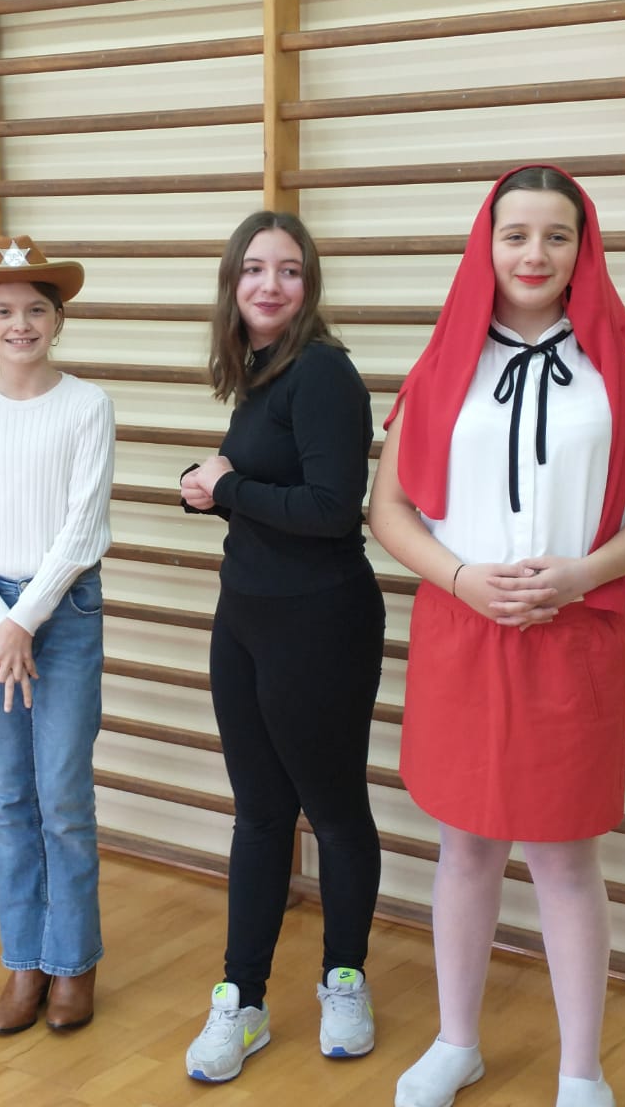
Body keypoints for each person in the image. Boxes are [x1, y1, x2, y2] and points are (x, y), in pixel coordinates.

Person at [368, 165, 625, 1107]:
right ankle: (456, 1043)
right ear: (487, 245)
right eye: (515, 234)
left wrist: (581, 573)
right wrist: (461, 577)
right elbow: (388, 511)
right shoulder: (439, 367)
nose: (534, 254)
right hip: (459, 631)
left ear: (583, 250)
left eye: (556, 235)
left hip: (571, 635)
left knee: (562, 856)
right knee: (464, 846)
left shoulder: (623, 371)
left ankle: (581, 1072)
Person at [180, 211, 386, 1083]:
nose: (270, 284)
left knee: (333, 813)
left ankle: (344, 979)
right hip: (246, 617)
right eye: (255, 269)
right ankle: (243, 999)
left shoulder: (323, 372)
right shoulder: (258, 374)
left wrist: (230, 486)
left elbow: (333, 512)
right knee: (259, 814)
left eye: (289, 270)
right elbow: (273, 491)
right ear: (232, 283)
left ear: (309, 286)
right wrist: (210, 487)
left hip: (320, 622)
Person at [0, 235, 114, 1036]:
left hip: (60, 612)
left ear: (57, 320)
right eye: (2, 310)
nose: (20, 323)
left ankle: (72, 963)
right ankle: (23, 961)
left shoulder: (87, 406)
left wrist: (21, 622)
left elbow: (81, 531)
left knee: (61, 796)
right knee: (9, 797)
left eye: (36, 309)